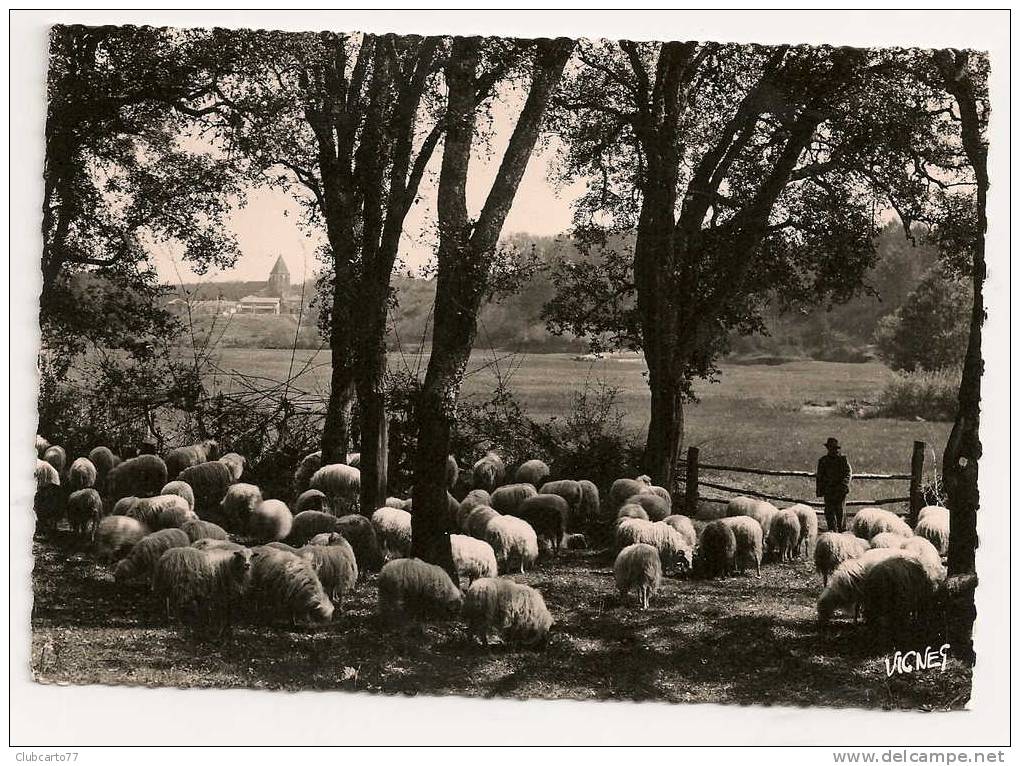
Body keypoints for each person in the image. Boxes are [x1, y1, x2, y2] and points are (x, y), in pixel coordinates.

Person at [816, 437, 852, 533]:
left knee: (840, 512)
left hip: (839, 491)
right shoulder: (823, 461)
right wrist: (820, 489)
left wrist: (844, 486)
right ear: (828, 448)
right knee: (829, 513)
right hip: (829, 491)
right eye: (831, 448)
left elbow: (848, 473)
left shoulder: (842, 460)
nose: (833, 450)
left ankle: (841, 532)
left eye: (834, 448)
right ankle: (832, 531)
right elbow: (820, 476)